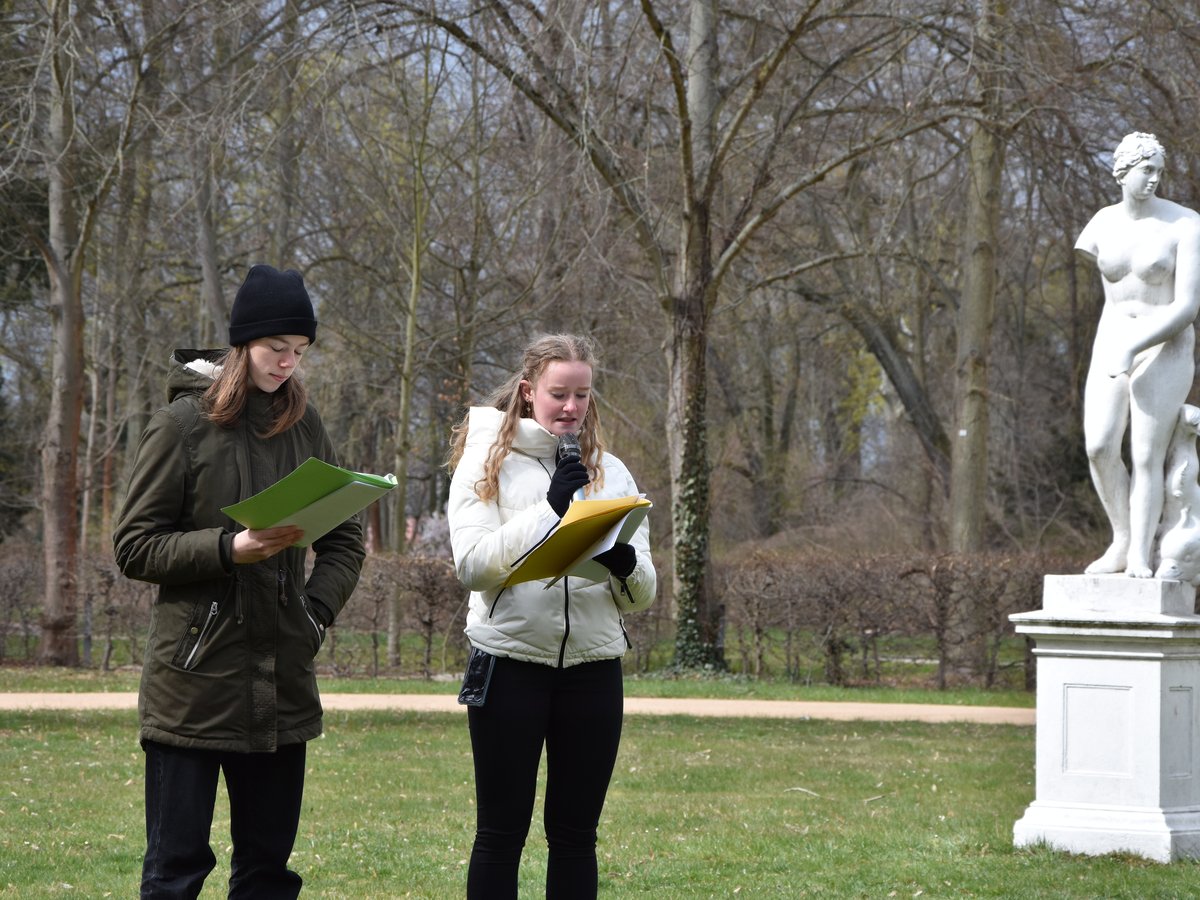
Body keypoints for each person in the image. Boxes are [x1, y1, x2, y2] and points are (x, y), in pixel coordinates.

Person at [113, 264, 366, 898]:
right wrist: (232, 548)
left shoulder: (305, 425)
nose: (288, 363)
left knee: (266, 875)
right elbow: (134, 546)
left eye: (300, 351)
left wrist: (313, 617)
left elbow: (344, 539)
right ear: (241, 344)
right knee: (175, 875)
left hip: (281, 682)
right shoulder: (181, 426)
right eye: (277, 348)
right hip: (192, 688)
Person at [445, 333, 656, 899]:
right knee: (500, 834)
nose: (571, 407)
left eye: (582, 395)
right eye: (558, 393)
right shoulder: (485, 464)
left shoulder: (612, 472)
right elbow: (473, 566)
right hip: (509, 665)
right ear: (527, 391)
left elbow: (642, 596)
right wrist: (550, 510)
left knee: (575, 836)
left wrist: (622, 562)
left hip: (593, 671)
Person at [1076, 132, 1200, 576]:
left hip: (1164, 345)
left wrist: (1136, 343)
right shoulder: (1101, 224)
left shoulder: (1185, 225)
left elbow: (1186, 306)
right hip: (1112, 343)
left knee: (1146, 454)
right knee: (1099, 447)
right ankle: (1121, 537)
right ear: (1123, 171)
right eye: (1146, 170)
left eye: (1159, 172)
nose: (1153, 180)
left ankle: (1139, 555)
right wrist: (1121, 345)